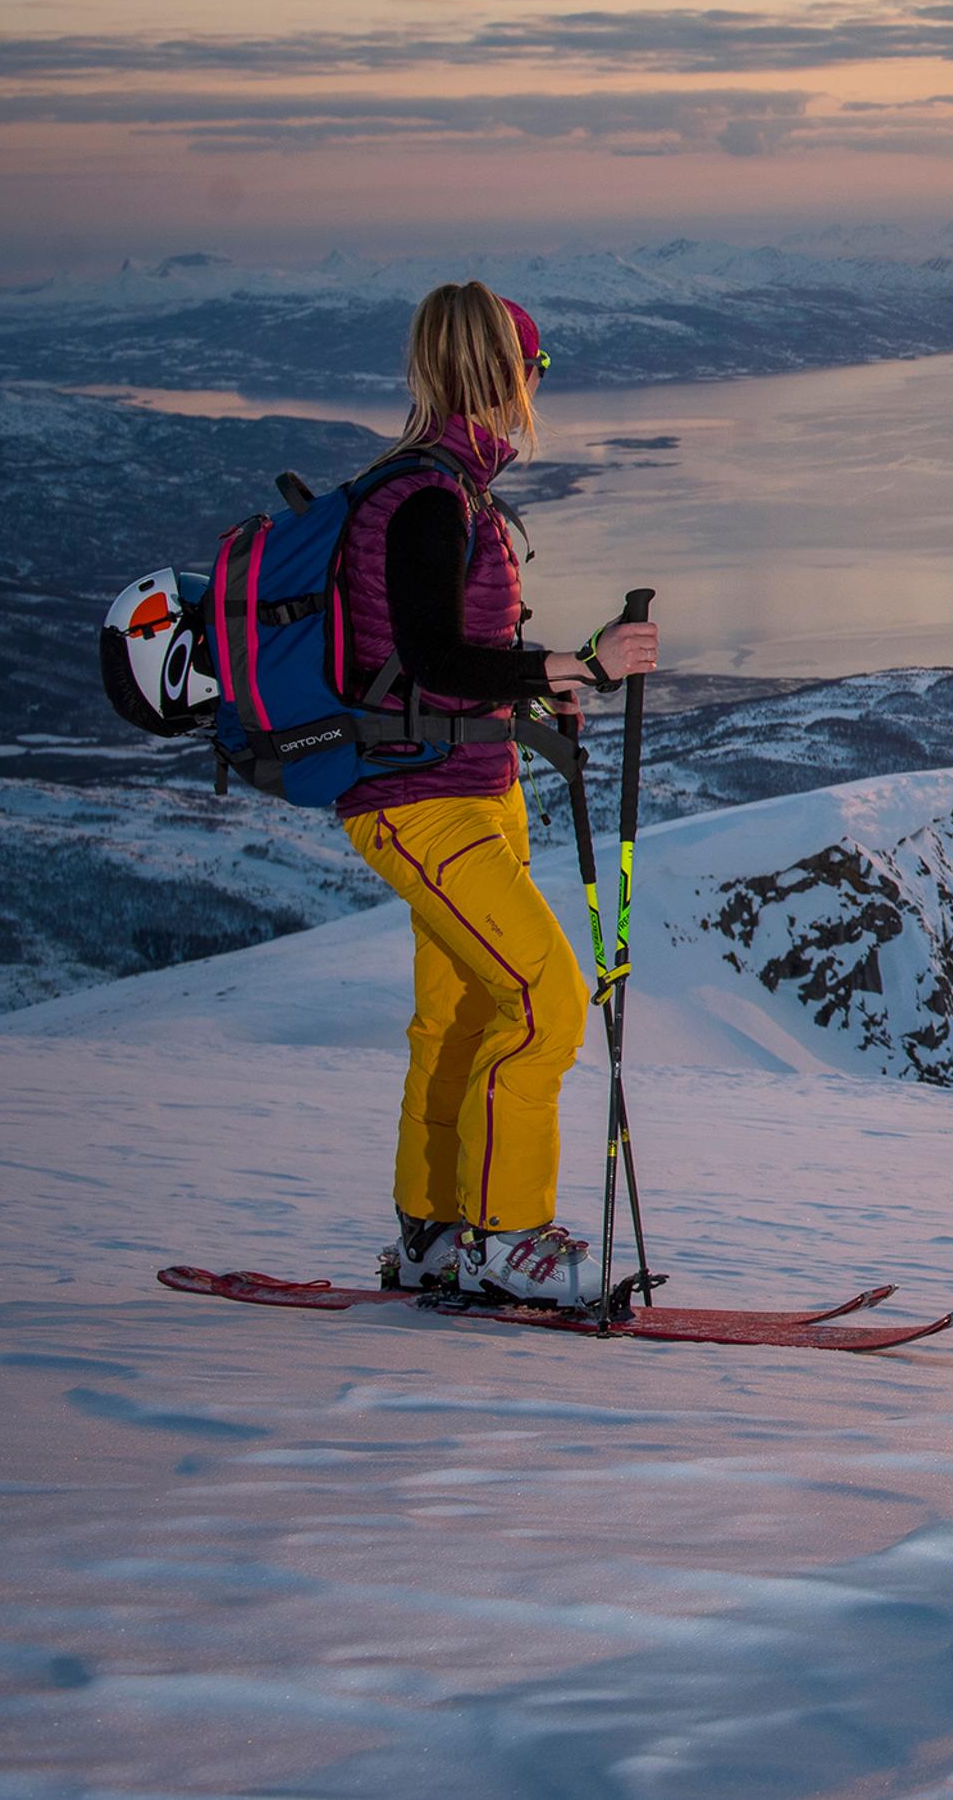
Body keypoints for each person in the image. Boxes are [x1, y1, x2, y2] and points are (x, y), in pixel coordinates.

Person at [345, 281, 657, 1305]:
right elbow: (434, 661)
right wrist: (568, 663)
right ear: (504, 371)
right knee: (544, 999)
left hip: (466, 785)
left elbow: (452, 658)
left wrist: (553, 683)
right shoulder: (431, 498)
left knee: (461, 1017)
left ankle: (435, 1230)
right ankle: (506, 1237)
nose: (537, 386)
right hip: (425, 800)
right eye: (536, 368)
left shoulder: (444, 490)